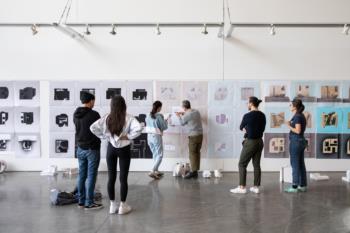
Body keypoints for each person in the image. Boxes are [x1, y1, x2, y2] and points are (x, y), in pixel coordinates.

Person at [90, 95, 142, 215]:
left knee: (111, 178)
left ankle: (112, 206)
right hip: (124, 149)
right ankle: (123, 206)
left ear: (112, 105)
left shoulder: (107, 118)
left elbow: (92, 128)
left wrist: (105, 136)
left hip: (111, 149)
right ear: (124, 105)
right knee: (123, 178)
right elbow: (139, 128)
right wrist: (127, 136)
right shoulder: (129, 118)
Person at [230, 97, 266, 194]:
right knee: (256, 164)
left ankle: (242, 187)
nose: (247, 105)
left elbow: (241, 127)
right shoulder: (263, 115)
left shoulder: (247, 115)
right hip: (260, 142)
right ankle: (256, 187)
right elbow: (261, 129)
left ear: (251, 104)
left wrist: (246, 129)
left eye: (247, 103)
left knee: (242, 164)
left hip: (251, 142)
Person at [73, 92, 102, 210]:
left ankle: (81, 201)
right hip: (92, 149)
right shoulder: (94, 115)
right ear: (90, 101)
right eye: (93, 101)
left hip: (80, 148)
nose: (94, 103)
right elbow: (100, 129)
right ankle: (89, 203)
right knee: (91, 176)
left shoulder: (76, 114)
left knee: (81, 175)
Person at [284, 98, 307, 193]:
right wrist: (290, 123)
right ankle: (302, 185)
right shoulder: (300, 115)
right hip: (301, 141)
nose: (289, 106)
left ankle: (294, 186)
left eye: (290, 105)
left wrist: (288, 125)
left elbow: (298, 131)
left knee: (295, 164)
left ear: (294, 106)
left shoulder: (297, 116)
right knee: (301, 163)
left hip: (296, 142)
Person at [176, 100, 203, 179]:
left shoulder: (187, 115)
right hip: (200, 135)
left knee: (192, 154)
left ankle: (193, 172)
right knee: (197, 153)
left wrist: (179, 116)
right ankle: (196, 171)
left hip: (193, 136)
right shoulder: (196, 112)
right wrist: (184, 114)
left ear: (184, 107)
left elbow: (182, 123)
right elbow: (190, 116)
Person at [145, 101, 168, 179]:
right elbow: (164, 127)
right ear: (159, 108)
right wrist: (166, 120)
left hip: (149, 136)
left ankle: (156, 171)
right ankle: (152, 170)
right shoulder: (158, 116)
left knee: (155, 154)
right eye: (161, 107)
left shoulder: (148, 115)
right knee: (160, 155)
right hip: (156, 136)